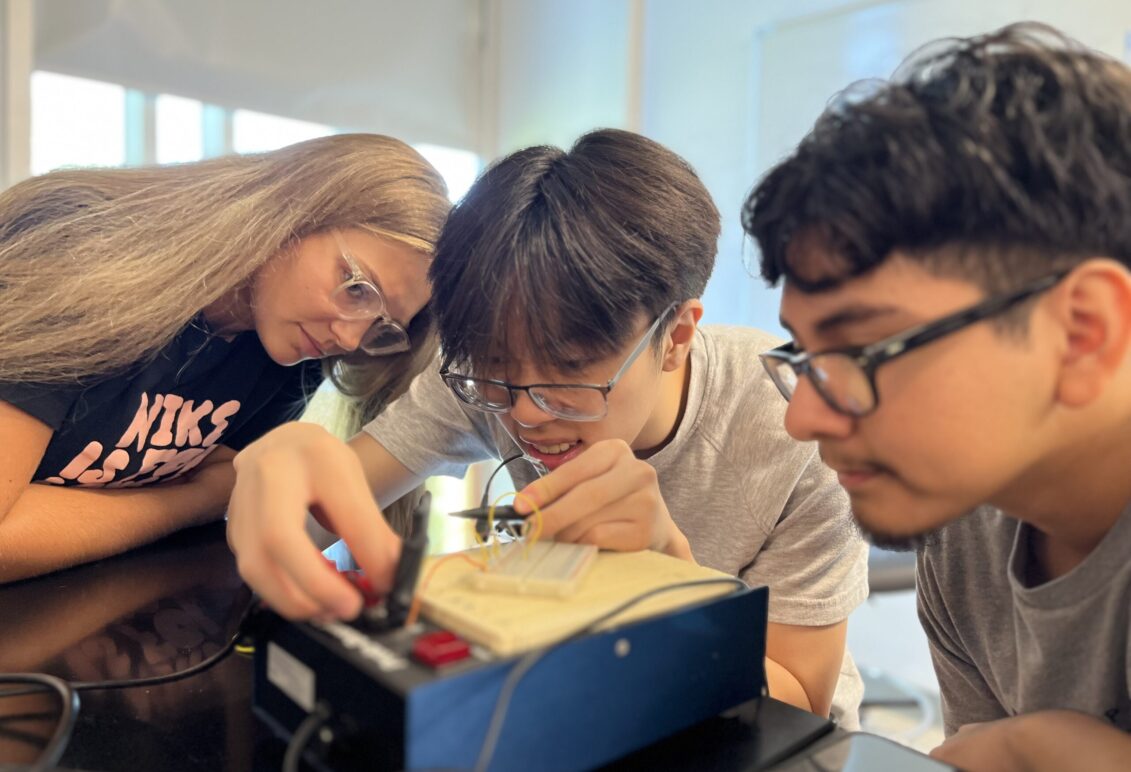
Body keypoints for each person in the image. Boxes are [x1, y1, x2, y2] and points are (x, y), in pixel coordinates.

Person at [228, 129, 869, 725]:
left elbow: (802, 700)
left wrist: (670, 579)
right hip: (589, 714)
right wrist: (282, 481)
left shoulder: (793, 421)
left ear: (675, 336)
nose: (527, 413)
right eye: (498, 371)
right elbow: (321, 505)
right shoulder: (483, 383)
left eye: (568, 375)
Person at [743, 23, 1131, 771]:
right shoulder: (965, 536)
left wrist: (1042, 746)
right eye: (805, 354)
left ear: (1084, 332)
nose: (801, 417)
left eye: (858, 349)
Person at [0, 133, 450, 583]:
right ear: (293, 209)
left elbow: (227, 477)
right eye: (356, 289)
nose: (352, 341)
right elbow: (218, 488)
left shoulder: (293, 345)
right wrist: (193, 500)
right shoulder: (75, 249)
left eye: (381, 326)